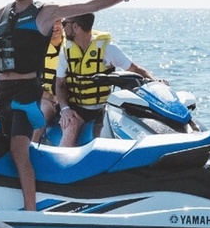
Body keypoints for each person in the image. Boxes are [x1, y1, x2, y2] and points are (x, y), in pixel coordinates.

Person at [0, 0, 148, 211]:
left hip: (26, 91)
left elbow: (87, 6)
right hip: (2, 91)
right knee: (0, 146)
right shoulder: (2, 12)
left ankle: (30, 211)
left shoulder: (45, 13)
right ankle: (3, 200)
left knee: (19, 149)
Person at [55, 13, 157, 147]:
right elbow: (60, 84)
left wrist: (155, 83)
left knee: (112, 133)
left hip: (104, 107)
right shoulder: (66, 51)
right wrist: (65, 109)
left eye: (64, 24)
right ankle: (64, 165)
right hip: (77, 109)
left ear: (75, 27)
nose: (63, 28)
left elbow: (137, 70)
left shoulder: (108, 49)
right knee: (70, 129)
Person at [33, 18, 65, 143]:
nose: (55, 26)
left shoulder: (71, 47)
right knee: (44, 111)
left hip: (67, 100)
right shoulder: (37, 49)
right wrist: (51, 98)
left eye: (58, 21)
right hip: (44, 98)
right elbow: (29, 83)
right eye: (50, 22)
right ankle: (31, 148)